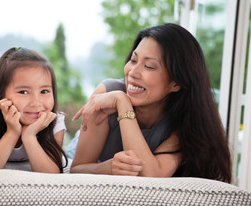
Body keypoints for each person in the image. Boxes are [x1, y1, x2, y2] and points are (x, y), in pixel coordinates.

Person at [70, 23, 231, 183]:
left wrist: (122, 103)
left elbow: (149, 176)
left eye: (149, 66)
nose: (132, 72)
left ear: (176, 82)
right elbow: (76, 169)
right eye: (133, 60)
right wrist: (108, 168)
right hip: (77, 153)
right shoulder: (107, 94)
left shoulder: (185, 122)